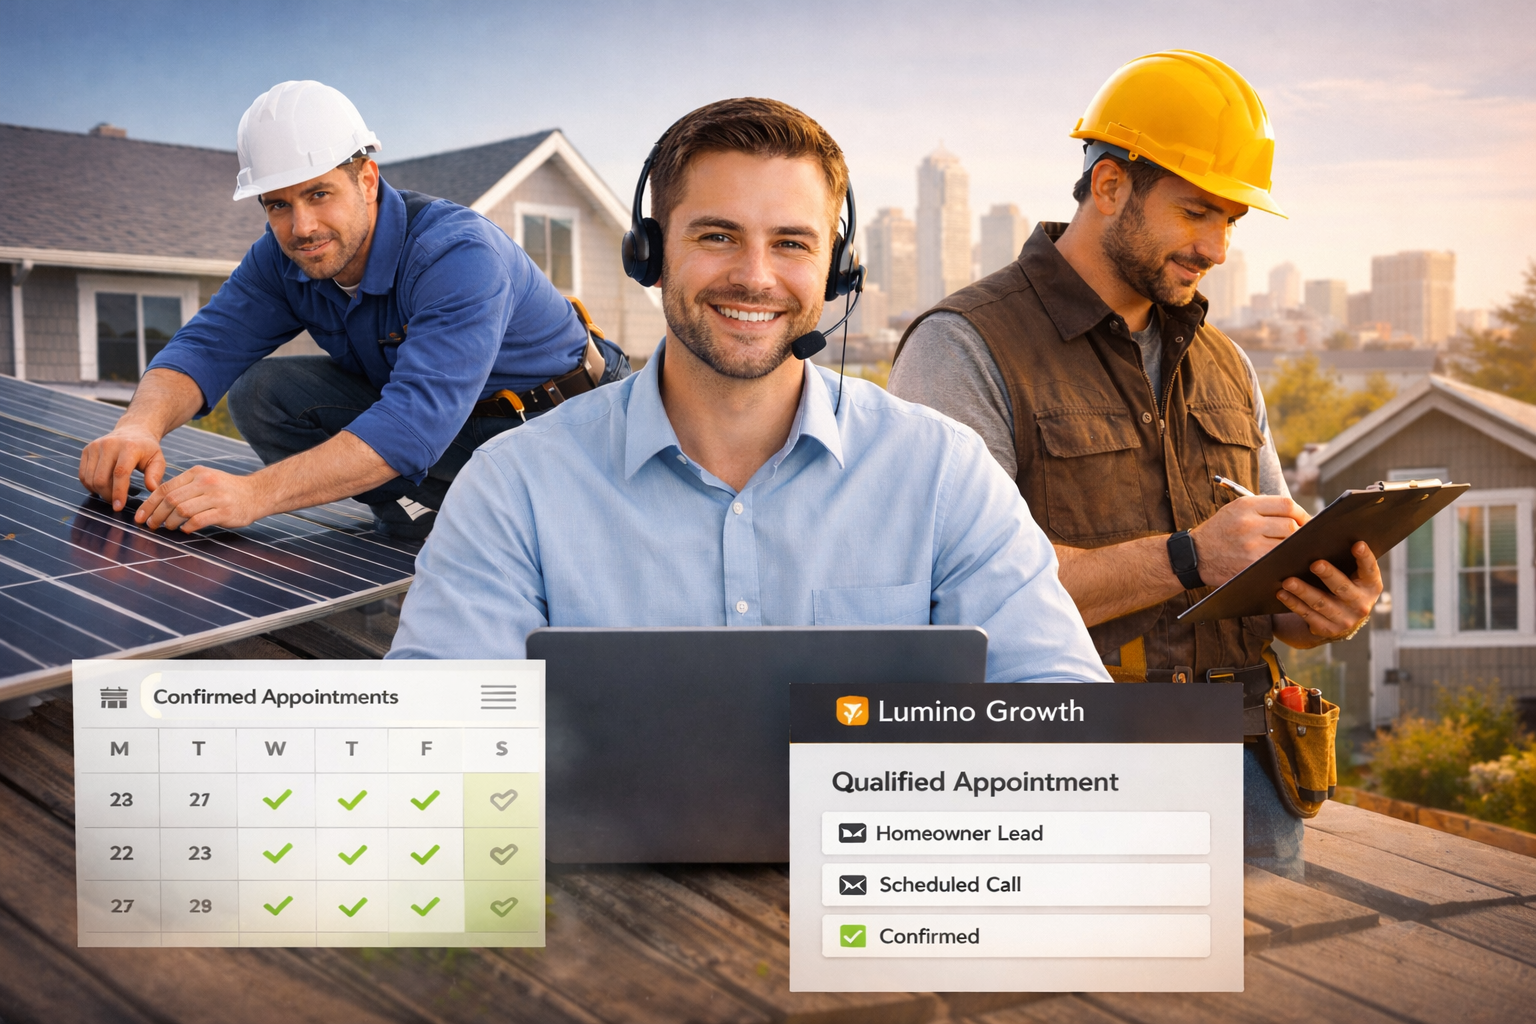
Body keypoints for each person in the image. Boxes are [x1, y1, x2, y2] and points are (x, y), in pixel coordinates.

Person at [390, 97, 1106, 685]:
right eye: (717, 236)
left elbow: (1064, 712)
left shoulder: (944, 473)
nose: (755, 277)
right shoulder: (514, 487)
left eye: (792, 243)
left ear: (836, 270)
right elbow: (431, 735)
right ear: (649, 253)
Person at [888, 51, 1380, 878]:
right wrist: (1188, 557)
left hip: (1251, 787)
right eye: (1196, 212)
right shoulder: (962, 347)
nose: (1217, 247)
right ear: (1110, 184)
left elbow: (1263, 576)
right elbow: (950, 601)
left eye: (1232, 220)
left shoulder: (1226, 365)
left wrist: (1324, 605)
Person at [78, 80, 627, 539]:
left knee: (561, 559)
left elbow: (413, 422)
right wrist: (137, 428)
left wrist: (253, 494)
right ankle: (423, 523)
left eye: (319, 194)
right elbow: (206, 345)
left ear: (367, 179)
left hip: (564, 426)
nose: (302, 227)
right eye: (278, 205)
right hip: (454, 429)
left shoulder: (456, 254)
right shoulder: (282, 257)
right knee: (265, 394)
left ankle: (487, 525)